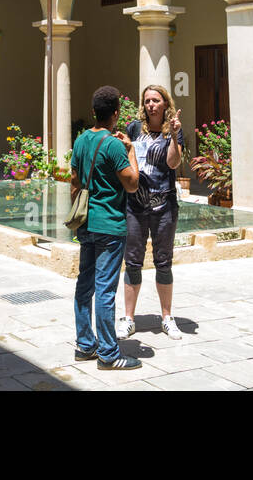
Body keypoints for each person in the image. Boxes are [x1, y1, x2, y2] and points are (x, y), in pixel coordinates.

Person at [71, 85, 141, 371]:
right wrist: (132, 150)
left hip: (86, 223)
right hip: (110, 226)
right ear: (116, 113)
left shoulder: (81, 141)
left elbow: (74, 181)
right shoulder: (114, 145)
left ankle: (85, 345)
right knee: (105, 291)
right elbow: (132, 183)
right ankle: (109, 355)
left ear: (93, 112)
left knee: (84, 284)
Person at [118, 84, 185, 341]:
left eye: (156, 101)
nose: (151, 105)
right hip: (135, 205)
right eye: (147, 101)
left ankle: (167, 317)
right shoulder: (134, 128)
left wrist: (175, 136)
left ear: (165, 104)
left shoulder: (174, 130)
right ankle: (128, 319)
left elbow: (172, 163)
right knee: (133, 261)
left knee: (163, 261)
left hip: (164, 206)